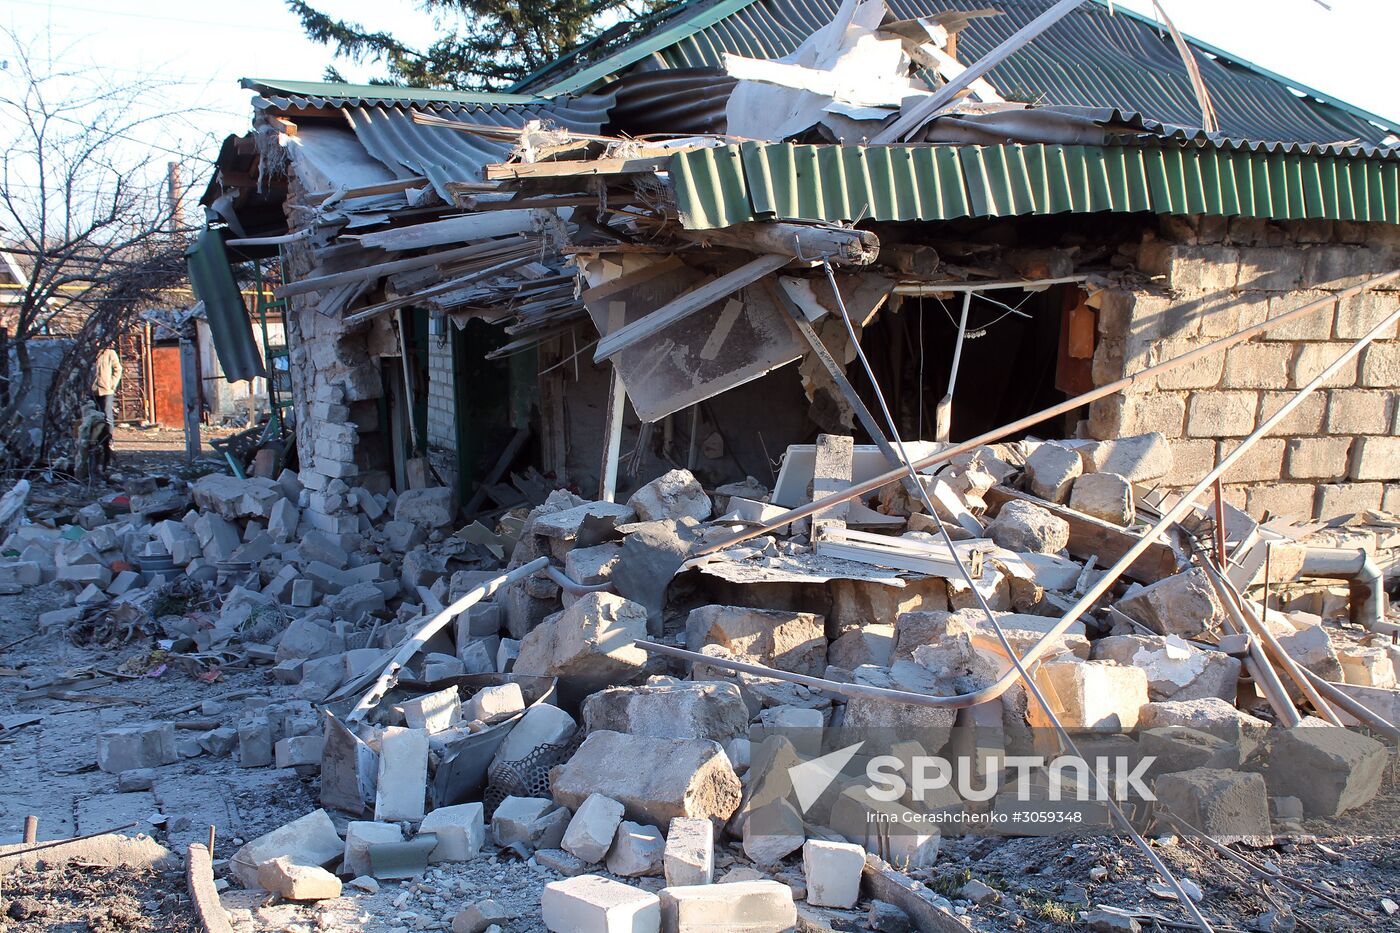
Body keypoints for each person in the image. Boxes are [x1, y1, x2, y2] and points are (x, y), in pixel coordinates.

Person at [92, 345, 123, 429]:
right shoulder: (90, 353)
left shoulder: (110, 353)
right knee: (94, 417)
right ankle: (97, 440)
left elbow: (118, 369)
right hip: (93, 389)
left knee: (107, 416)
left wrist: (112, 383)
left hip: (106, 390)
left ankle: (109, 439)